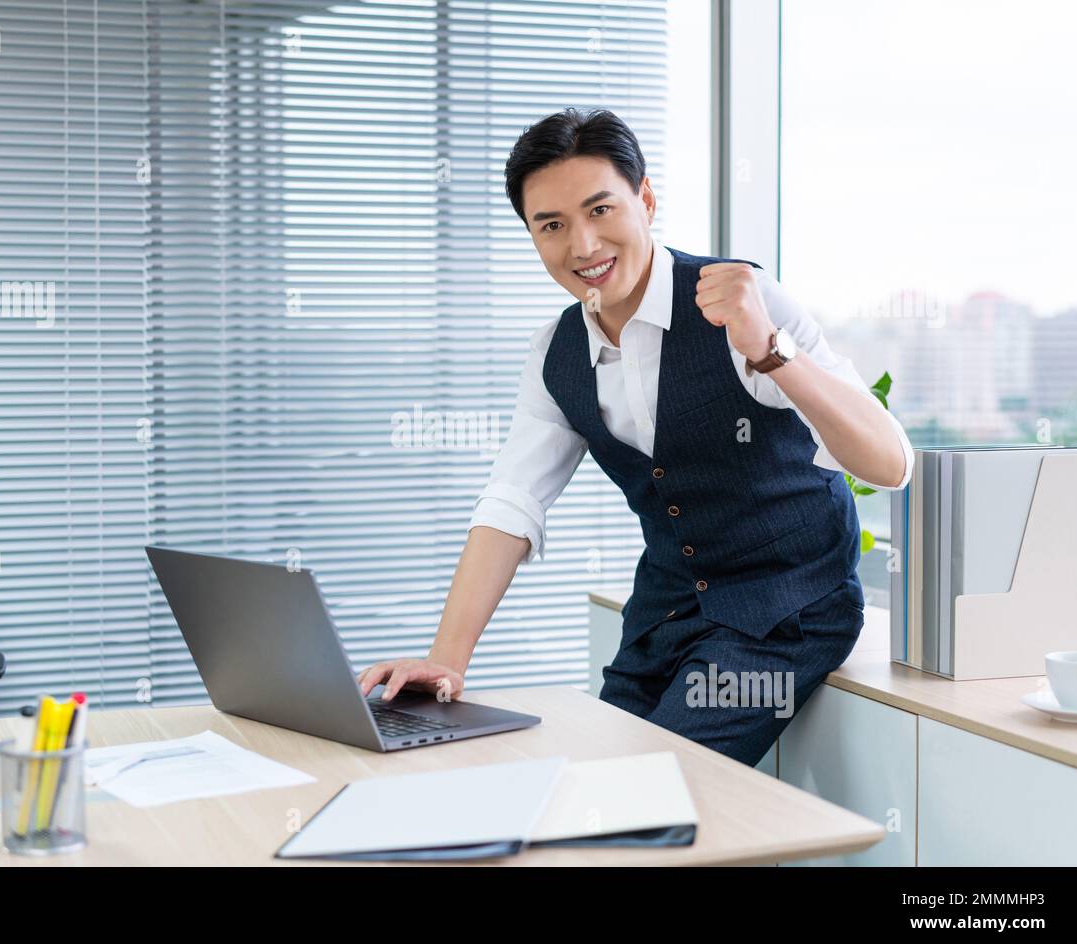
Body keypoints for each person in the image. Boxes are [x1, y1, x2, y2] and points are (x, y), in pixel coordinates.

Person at [357, 108, 912, 766]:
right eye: (552, 225)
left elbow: (889, 462)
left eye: (601, 210)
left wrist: (769, 350)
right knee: (587, 782)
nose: (584, 246)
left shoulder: (742, 300)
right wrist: (446, 659)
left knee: (650, 790)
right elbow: (512, 500)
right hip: (665, 618)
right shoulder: (556, 354)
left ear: (645, 199)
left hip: (785, 614)